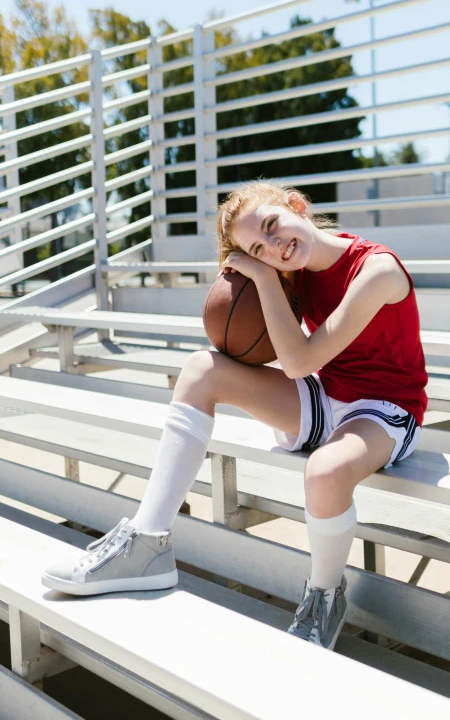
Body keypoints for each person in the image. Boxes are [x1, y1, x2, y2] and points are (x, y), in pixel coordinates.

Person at [42, 180, 428, 652]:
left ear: (297, 206)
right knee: (201, 369)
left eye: (272, 226)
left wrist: (263, 276)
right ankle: (148, 542)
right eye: (258, 250)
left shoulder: (377, 269)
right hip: (326, 395)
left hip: (386, 408)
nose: (274, 248)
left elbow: (300, 361)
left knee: (324, 472)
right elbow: (292, 361)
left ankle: (324, 598)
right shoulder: (291, 270)